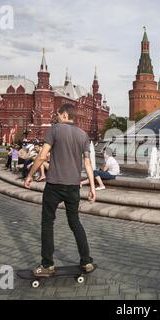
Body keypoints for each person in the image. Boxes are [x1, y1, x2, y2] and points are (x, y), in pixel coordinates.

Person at [24, 103, 96, 277]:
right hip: (73, 186)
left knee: (47, 223)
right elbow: (87, 163)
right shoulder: (83, 135)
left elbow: (42, 156)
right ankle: (86, 261)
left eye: (57, 114)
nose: (55, 116)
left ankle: (47, 265)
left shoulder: (54, 130)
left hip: (54, 185)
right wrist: (93, 187)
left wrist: (29, 175)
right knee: (75, 222)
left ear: (64, 115)